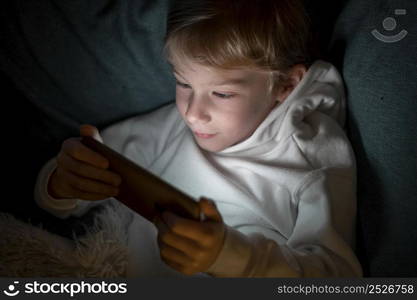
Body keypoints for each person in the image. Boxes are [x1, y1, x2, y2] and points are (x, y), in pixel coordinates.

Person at [35, 0, 362, 277]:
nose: (193, 113)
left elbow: (336, 274)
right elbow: (82, 183)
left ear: (285, 86)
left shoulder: (311, 154)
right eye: (183, 83)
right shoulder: (176, 126)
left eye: (222, 93)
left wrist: (232, 257)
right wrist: (63, 184)